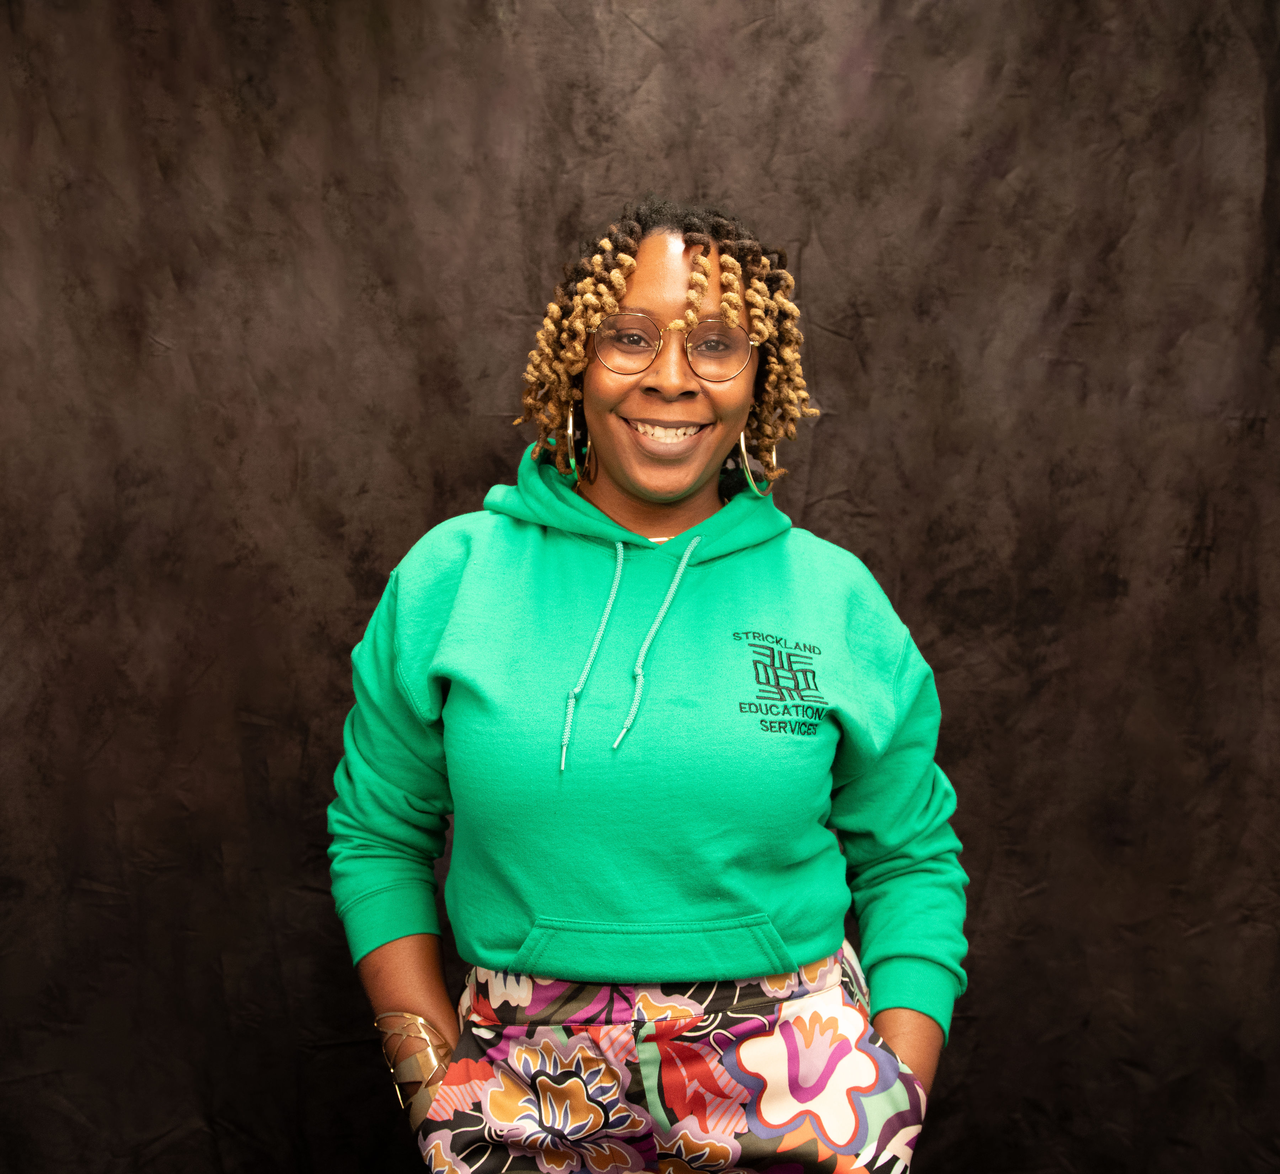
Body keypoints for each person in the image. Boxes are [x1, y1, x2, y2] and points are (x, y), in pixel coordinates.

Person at [327, 197, 968, 1174]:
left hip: (797, 1089)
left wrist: (892, 1093)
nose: (670, 378)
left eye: (715, 342)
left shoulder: (833, 597)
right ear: (573, 360)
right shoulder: (453, 579)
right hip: (518, 1091)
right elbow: (378, 833)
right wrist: (427, 1084)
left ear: (760, 378)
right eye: (630, 337)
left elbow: (909, 855)